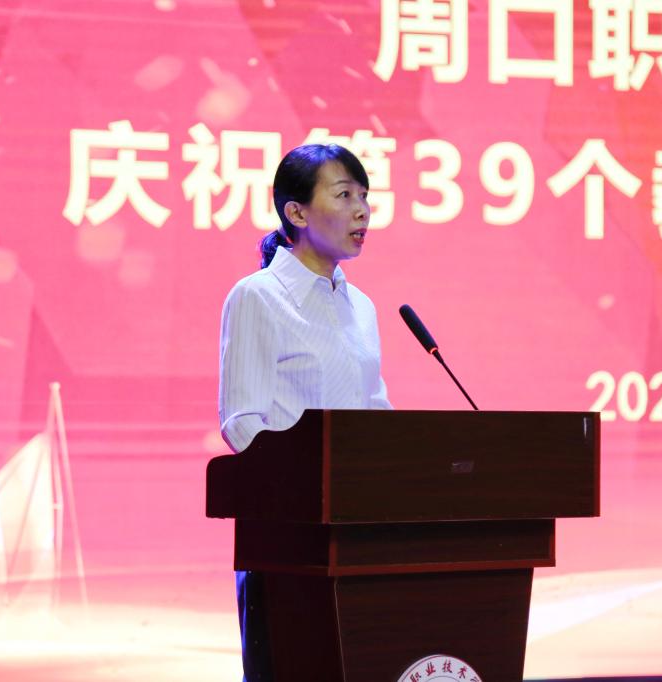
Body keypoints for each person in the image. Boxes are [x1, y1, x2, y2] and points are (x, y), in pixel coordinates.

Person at [217, 143, 393, 681]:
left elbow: (375, 412)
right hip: (288, 540)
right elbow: (241, 421)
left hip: (358, 533)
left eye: (364, 196)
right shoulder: (257, 297)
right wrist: (308, 485)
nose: (362, 211)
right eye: (344, 196)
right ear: (295, 212)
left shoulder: (361, 307)